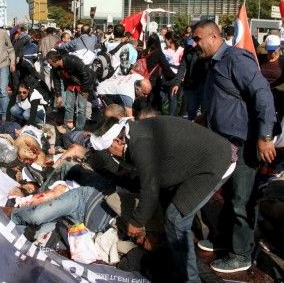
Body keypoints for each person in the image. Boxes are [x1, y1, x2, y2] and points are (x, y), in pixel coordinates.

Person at [90, 116, 236, 282]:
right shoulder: (134, 133)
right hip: (202, 159)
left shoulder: (140, 144)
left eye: (109, 148)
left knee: (175, 219)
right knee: (171, 214)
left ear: (118, 140)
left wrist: (137, 222)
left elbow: (150, 190)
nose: (109, 153)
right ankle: (189, 267)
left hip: (214, 163)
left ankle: (190, 279)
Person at [192, 20, 277, 273]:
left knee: (242, 200)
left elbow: (263, 94)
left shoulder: (235, 59)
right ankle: (224, 240)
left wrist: (265, 135)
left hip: (244, 145)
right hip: (223, 143)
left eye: (197, 39)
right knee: (228, 196)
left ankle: (241, 254)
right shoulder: (215, 63)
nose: (194, 44)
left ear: (214, 37)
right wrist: (204, 117)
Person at [47, 50, 96, 130]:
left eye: (50, 63)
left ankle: (79, 129)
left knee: (81, 108)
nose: (49, 65)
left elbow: (85, 74)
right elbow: (56, 81)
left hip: (82, 84)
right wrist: (58, 95)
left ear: (56, 60)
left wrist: (85, 90)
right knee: (68, 107)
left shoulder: (72, 60)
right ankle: (67, 127)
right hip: (70, 84)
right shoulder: (54, 67)